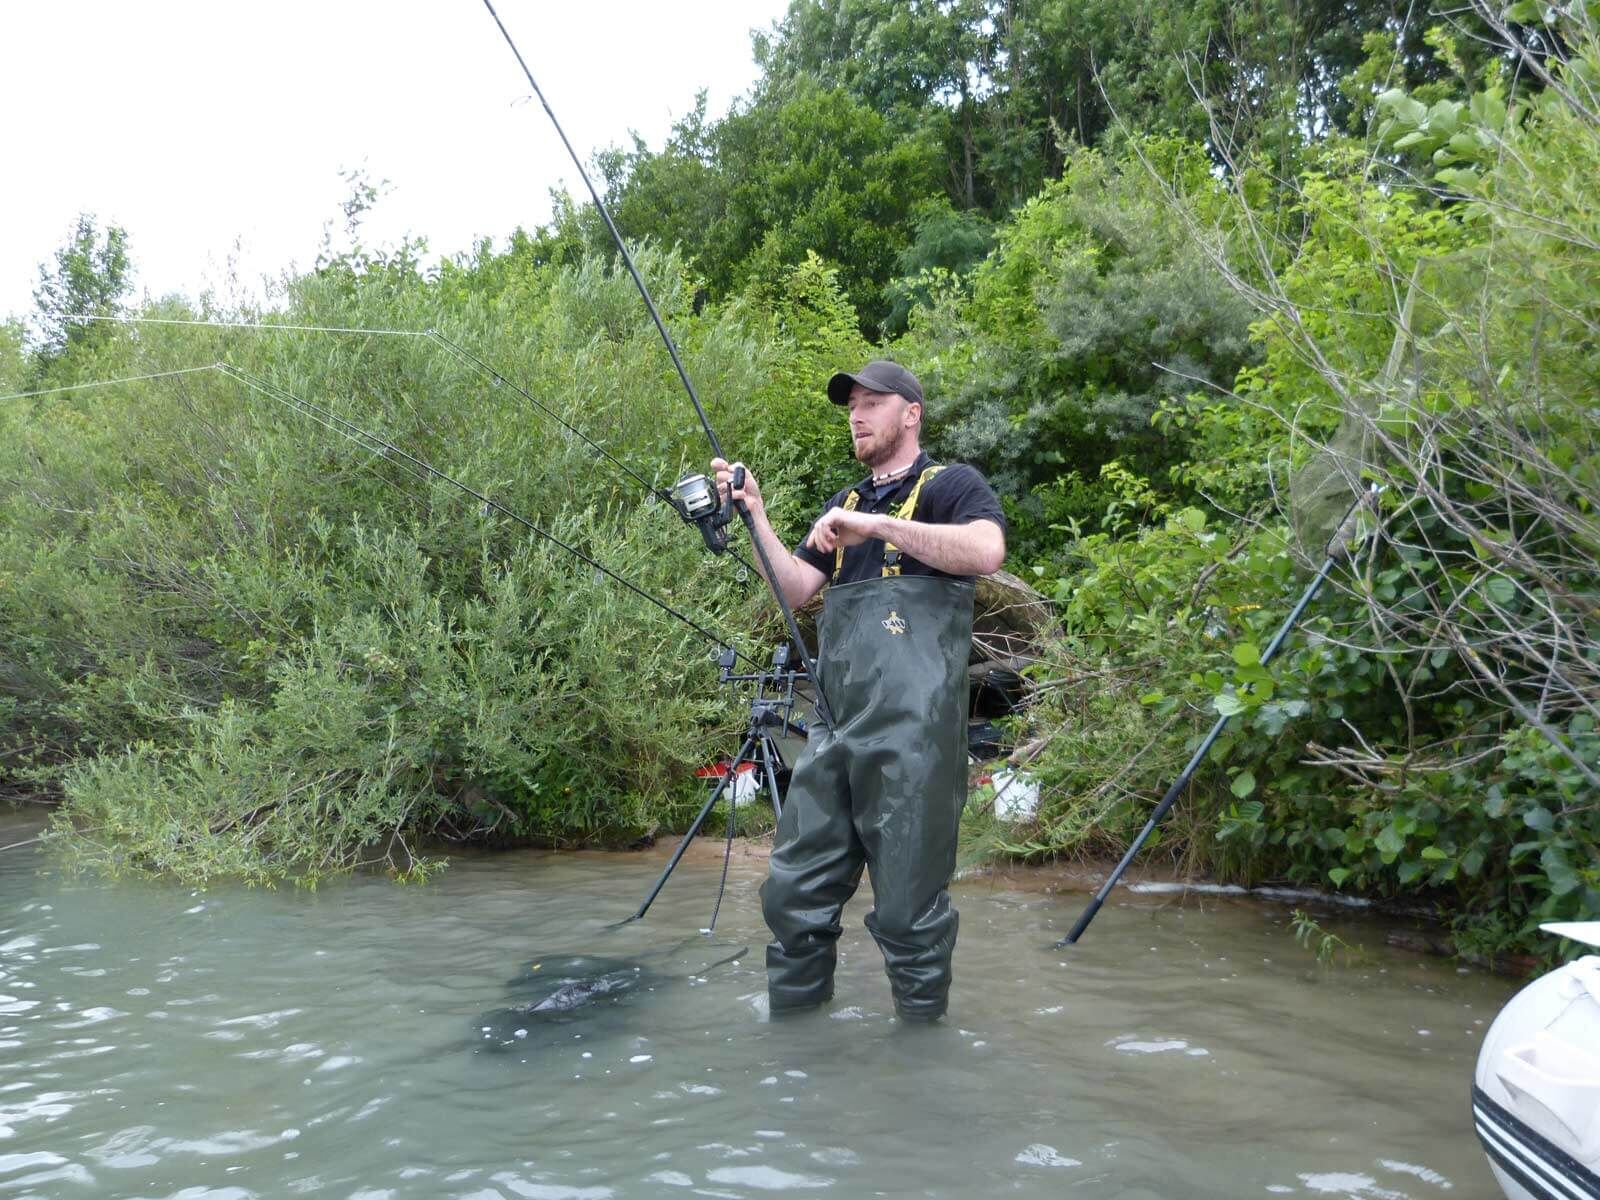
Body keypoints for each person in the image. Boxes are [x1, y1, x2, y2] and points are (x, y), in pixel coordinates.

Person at [712, 359, 1005, 1022]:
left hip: (915, 738)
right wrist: (754, 515)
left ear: (911, 413)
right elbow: (793, 590)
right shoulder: (843, 505)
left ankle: (920, 1070)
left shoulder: (950, 485)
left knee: (906, 913)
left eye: (874, 401)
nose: (857, 413)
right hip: (835, 728)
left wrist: (877, 528)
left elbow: (986, 552)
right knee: (791, 896)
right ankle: (794, 1055)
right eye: (851, 404)